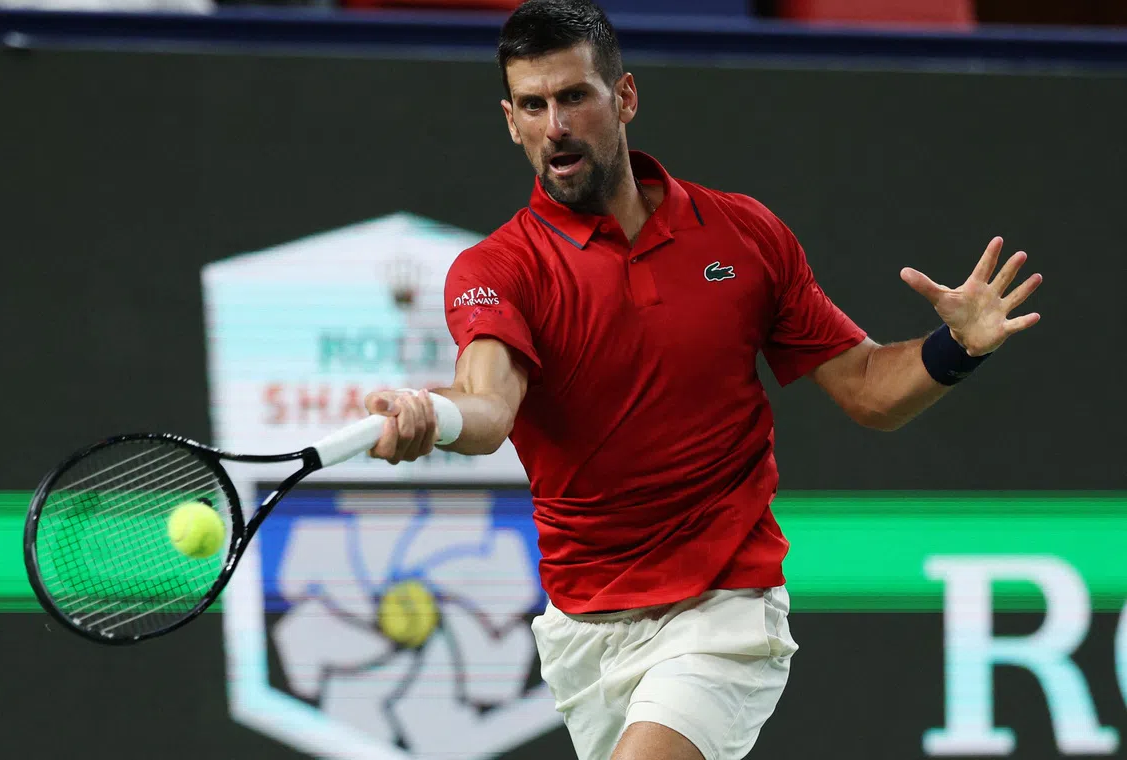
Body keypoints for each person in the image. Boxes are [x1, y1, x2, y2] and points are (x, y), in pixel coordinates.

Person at [362, 2, 1042, 758]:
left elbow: (868, 391)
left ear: (623, 98)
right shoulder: (497, 270)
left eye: (574, 97)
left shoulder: (743, 234)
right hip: (586, 629)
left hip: (724, 608)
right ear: (512, 121)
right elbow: (488, 404)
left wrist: (957, 347)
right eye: (533, 104)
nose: (555, 124)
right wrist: (436, 414)